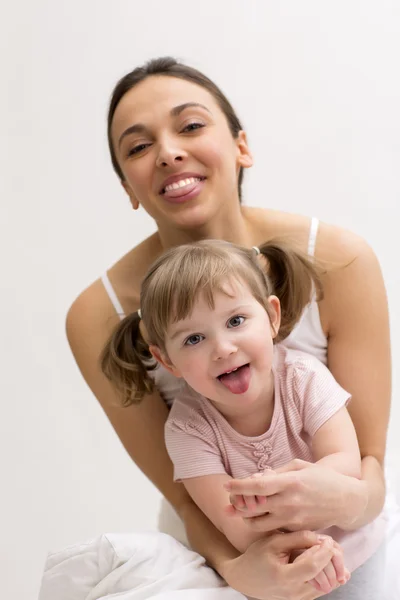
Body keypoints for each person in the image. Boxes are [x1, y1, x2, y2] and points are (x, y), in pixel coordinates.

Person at [66, 57, 391, 600]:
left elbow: (369, 466)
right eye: (139, 146)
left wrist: (344, 505)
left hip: (347, 535)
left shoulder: (340, 259)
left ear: (241, 146)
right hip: (218, 546)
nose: (169, 152)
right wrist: (240, 568)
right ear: (127, 185)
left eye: (190, 126)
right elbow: (187, 498)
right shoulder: (98, 314)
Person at [101, 239, 386, 598]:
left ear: (271, 317)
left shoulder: (304, 378)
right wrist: (295, 559)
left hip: (350, 550)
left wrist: (318, 550)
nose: (223, 348)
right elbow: (232, 524)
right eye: (193, 339)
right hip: (266, 563)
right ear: (166, 360)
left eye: (236, 321)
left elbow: (347, 464)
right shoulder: (188, 429)